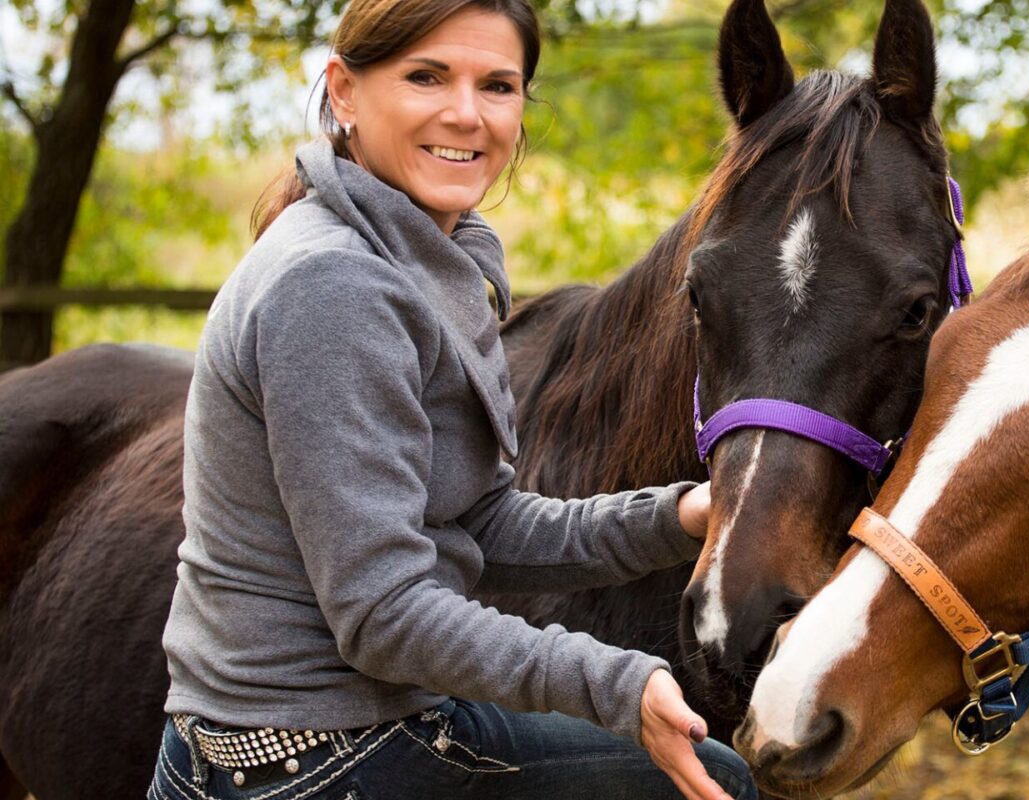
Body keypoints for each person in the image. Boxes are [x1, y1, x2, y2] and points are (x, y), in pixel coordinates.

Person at [145, 0, 754, 797]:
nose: (466, 114)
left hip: (338, 721)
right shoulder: (336, 284)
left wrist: (677, 517)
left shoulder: (417, 257)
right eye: (426, 76)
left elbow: (476, 519)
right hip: (311, 750)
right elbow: (384, 613)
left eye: (497, 86)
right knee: (716, 782)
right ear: (344, 92)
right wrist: (617, 684)